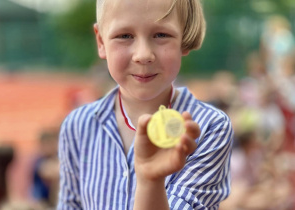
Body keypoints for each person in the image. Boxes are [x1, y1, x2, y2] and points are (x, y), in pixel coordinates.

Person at [57, 0, 233, 209]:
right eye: (124, 36)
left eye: (161, 35)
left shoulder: (209, 128)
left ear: (184, 40)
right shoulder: (77, 126)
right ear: (101, 42)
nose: (143, 55)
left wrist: (151, 182)